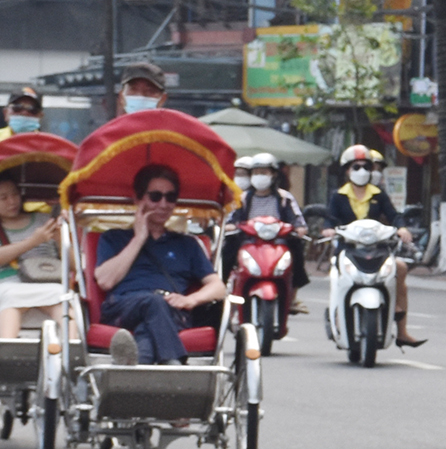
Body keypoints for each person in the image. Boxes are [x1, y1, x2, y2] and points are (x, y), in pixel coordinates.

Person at [93, 164, 225, 365]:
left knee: (149, 324)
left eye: (170, 197)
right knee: (153, 302)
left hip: (170, 311)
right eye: (155, 196)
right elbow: (105, 281)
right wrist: (138, 239)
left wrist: (191, 300)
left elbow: (218, 287)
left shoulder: (187, 244)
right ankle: (173, 363)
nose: (163, 204)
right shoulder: (114, 238)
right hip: (123, 308)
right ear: (139, 200)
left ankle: (133, 373)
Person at [331, 143, 421, 345]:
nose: (362, 171)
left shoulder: (378, 194)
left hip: (377, 248)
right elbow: (330, 219)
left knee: (400, 267)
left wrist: (402, 228)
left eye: (366, 167)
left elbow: (393, 215)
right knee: (337, 275)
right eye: (356, 167)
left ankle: (402, 330)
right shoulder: (338, 196)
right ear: (347, 170)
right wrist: (328, 229)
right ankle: (338, 318)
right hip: (348, 249)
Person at [223, 150, 309, 316]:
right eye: (256, 172)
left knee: (297, 250)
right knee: (227, 252)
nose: (259, 176)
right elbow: (230, 221)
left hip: (278, 243)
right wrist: (232, 227)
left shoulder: (285, 198)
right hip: (247, 242)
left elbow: (298, 221)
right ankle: (220, 291)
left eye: (264, 172)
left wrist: (299, 229)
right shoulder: (243, 198)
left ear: (273, 175)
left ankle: (292, 298)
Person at [0, 173, 61, 338]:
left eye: (14, 194)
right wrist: (33, 241)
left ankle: (73, 347)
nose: (12, 201)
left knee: (62, 298)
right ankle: (5, 350)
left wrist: (60, 239)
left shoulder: (44, 219)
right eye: (3, 198)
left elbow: (73, 264)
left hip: (47, 279)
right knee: (12, 297)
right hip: (9, 282)